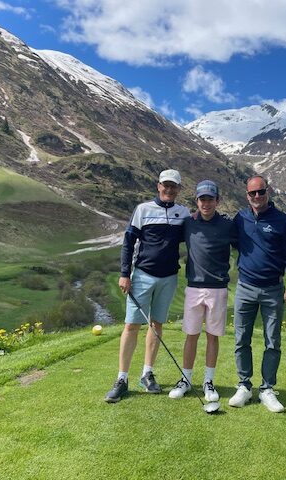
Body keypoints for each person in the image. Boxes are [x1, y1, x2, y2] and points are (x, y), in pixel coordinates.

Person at [104, 169, 190, 403]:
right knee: (131, 325)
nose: (169, 189)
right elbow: (128, 242)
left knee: (156, 324)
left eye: (173, 186)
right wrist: (125, 274)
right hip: (142, 275)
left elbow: (196, 237)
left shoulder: (183, 213)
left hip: (169, 277)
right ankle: (122, 379)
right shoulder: (143, 209)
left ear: (179, 189)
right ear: (158, 186)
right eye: (165, 185)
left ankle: (147, 374)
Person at [228, 175, 286, 413]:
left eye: (261, 191)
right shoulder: (240, 219)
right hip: (245, 287)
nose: (257, 196)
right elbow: (230, 241)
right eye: (252, 193)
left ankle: (267, 389)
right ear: (247, 195)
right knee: (241, 338)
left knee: (272, 341)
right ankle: (244, 385)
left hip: (273, 289)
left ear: (268, 192)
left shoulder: (283, 220)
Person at [168, 180, 237, 403]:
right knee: (191, 335)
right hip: (194, 287)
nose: (206, 204)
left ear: (217, 200)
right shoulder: (188, 223)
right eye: (202, 199)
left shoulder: (227, 225)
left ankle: (208, 381)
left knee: (212, 336)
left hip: (218, 288)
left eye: (210, 199)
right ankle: (186, 379)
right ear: (196, 201)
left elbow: (245, 246)